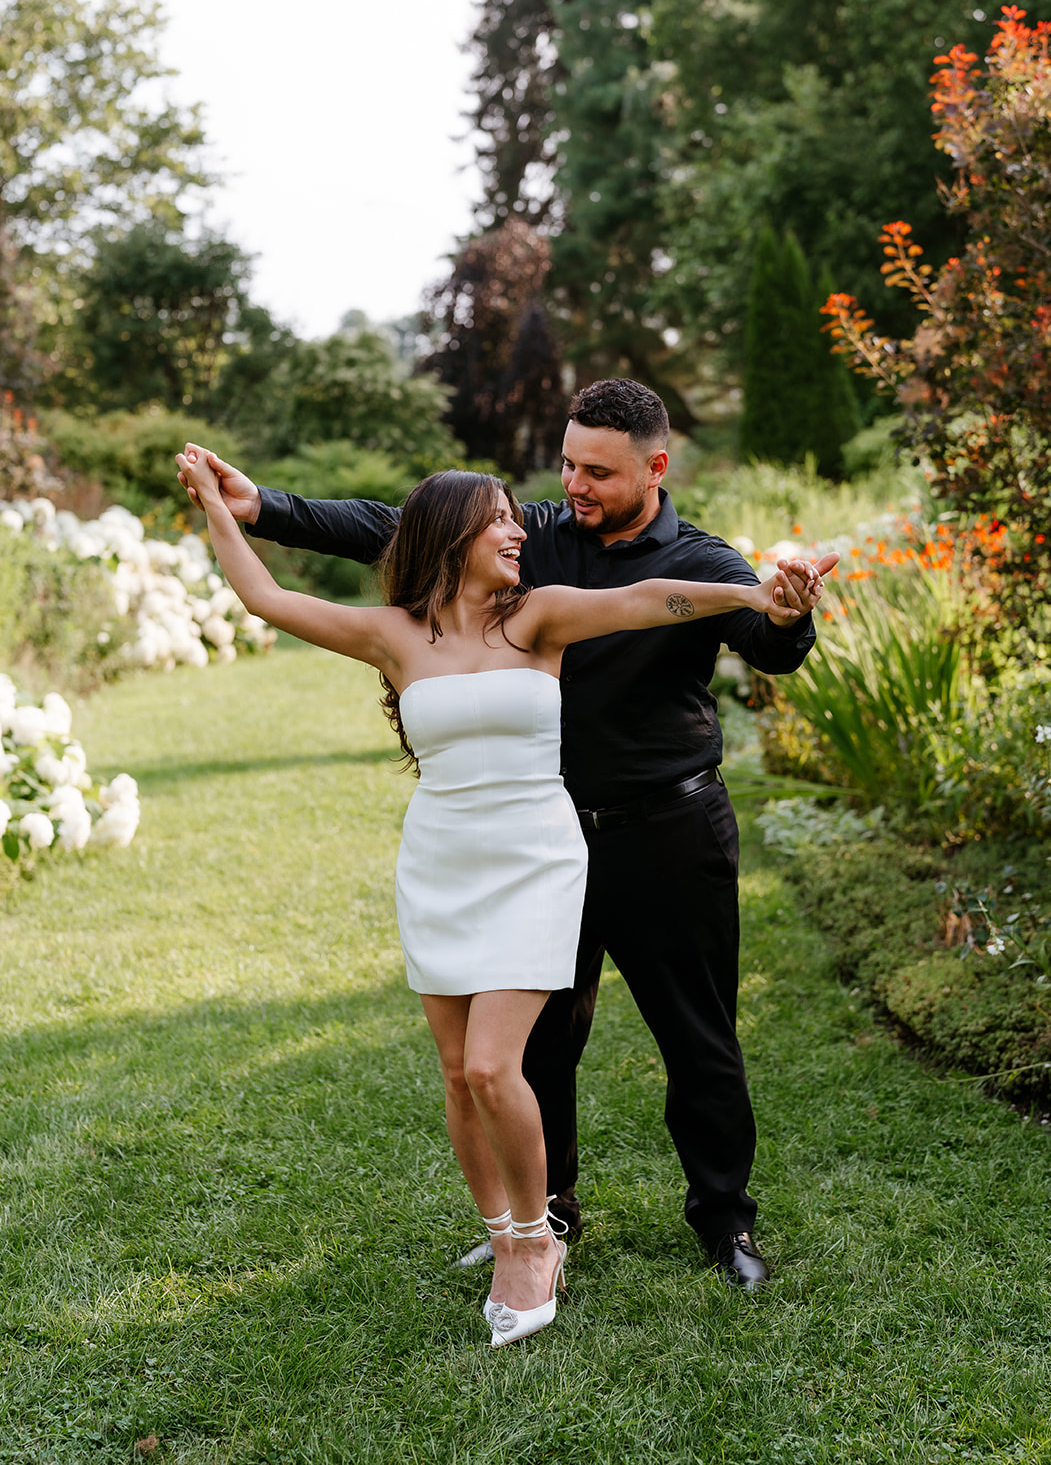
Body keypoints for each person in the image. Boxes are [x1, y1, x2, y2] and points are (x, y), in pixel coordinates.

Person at [178, 379, 836, 1291]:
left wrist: (781, 605)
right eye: (567, 462)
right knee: (533, 1048)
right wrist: (263, 507)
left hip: (666, 832)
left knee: (699, 1040)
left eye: (596, 471)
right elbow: (400, 527)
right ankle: (545, 1212)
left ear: (655, 467)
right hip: (537, 841)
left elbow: (731, 623)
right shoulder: (530, 537)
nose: (572, 484)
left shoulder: (701, 558)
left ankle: (723, 1221)